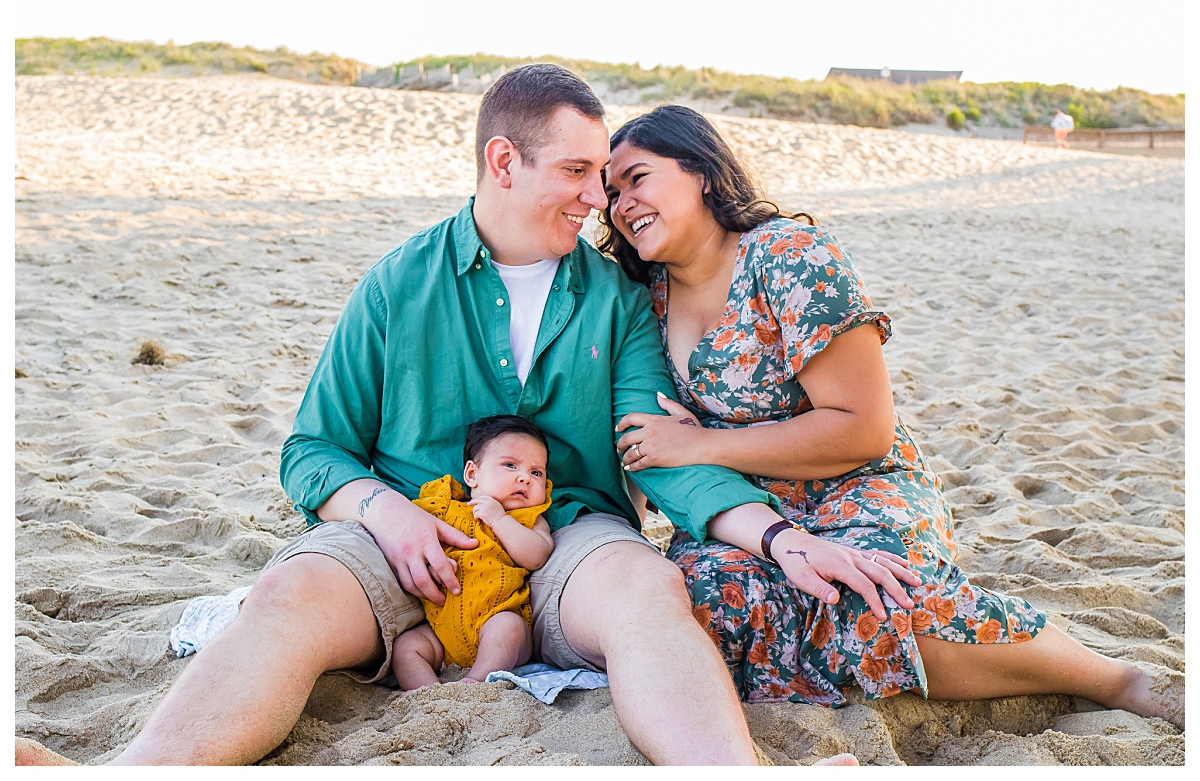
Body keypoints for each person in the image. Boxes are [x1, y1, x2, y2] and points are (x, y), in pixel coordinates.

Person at [17, 65, 873, 766]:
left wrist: (773, 537)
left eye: (602, 179)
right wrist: (385, 514)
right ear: (504, 162)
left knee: (650, 587)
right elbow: (313, 450)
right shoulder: (399, 283)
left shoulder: (615, 299)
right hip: (407, 537)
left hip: (568, 542)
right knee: (284, 590)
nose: (596, 202)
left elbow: (659, 455)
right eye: (576, 173)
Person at [599, 104, 1183, 726]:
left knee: (868, 598)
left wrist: (704, 446)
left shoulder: (785, 257)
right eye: (610, 193)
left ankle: (1114, 679)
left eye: (638, 177)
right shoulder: (646, 298)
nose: (621, 203)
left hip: (858, 483)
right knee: (699, 612)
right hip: (751, 509)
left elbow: (862, 428)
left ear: (704, 173)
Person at [392, 414, 555, 689]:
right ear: (472, 474)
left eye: (536, 472)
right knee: (406, 647)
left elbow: (537, 554)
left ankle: (475, 683)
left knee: (508, 629)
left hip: (498, 621)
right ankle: (427, 693)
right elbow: (409, 533)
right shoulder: (445, 507)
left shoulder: (527, 518)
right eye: (510, 465)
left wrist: (499, 519)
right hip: (441, 630)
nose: (524, 478)